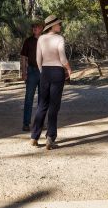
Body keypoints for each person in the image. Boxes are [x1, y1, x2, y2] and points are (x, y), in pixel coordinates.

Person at [30, 14, 72, 150]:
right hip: (57, 72)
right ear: (52, 26)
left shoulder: (41, 38)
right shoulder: (59, 38)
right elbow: (63, 58)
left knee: (42, 104)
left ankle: (34, 137)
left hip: (45, 72)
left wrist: (43, 72)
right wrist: (69, 69)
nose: (60, 25)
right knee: (54, 106)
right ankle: (50, 138)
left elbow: (38, 59)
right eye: (58, 24)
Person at [20, 21, 43, 131]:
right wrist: (24, 72)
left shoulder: (45, 40)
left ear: (41, 29)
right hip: (32, 71)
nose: (34, 29)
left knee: (42, 99)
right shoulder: (28, 41)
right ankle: (26, 123)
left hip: (44, 72)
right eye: (33, 27)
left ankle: (40, 123)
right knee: (29, 98)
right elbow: (23, 57)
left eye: (37, 27)